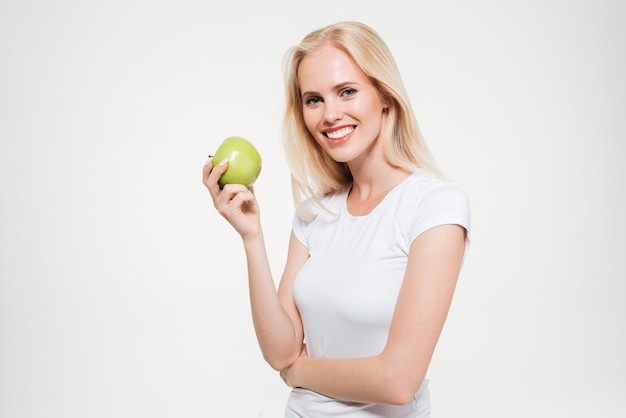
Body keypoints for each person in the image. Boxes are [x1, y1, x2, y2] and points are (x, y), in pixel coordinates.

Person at [203, 21, 470, 418]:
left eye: (347, 91)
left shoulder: (434, 207)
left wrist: (300, 372)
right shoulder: (315, 213)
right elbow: (280, 351)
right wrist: (252, 237)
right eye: (313, 100)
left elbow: (398, 382)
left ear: (384, 95)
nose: (330, 114)